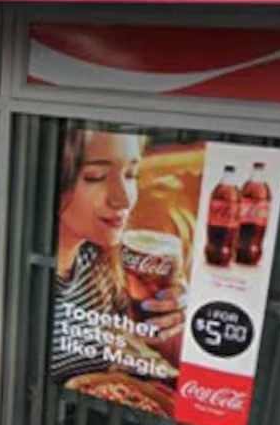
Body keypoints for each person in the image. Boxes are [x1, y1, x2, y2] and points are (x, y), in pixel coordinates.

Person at [53, 129, 185, 384]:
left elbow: (137, 352)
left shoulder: (103, 263)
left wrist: (174, 325)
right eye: (96, 176)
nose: (124, 199)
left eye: (131, 174)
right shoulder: (17, 271)